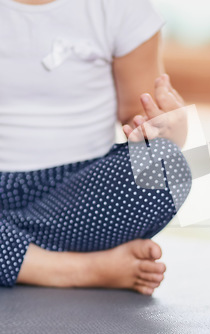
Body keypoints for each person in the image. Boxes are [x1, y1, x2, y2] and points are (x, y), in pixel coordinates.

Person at [0, 0, 191, 295]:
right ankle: (69, 269)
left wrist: (171, 131)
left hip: (75, 191)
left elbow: (139, 117)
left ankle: (13, 250)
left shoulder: (119, 7)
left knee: (167, 169)